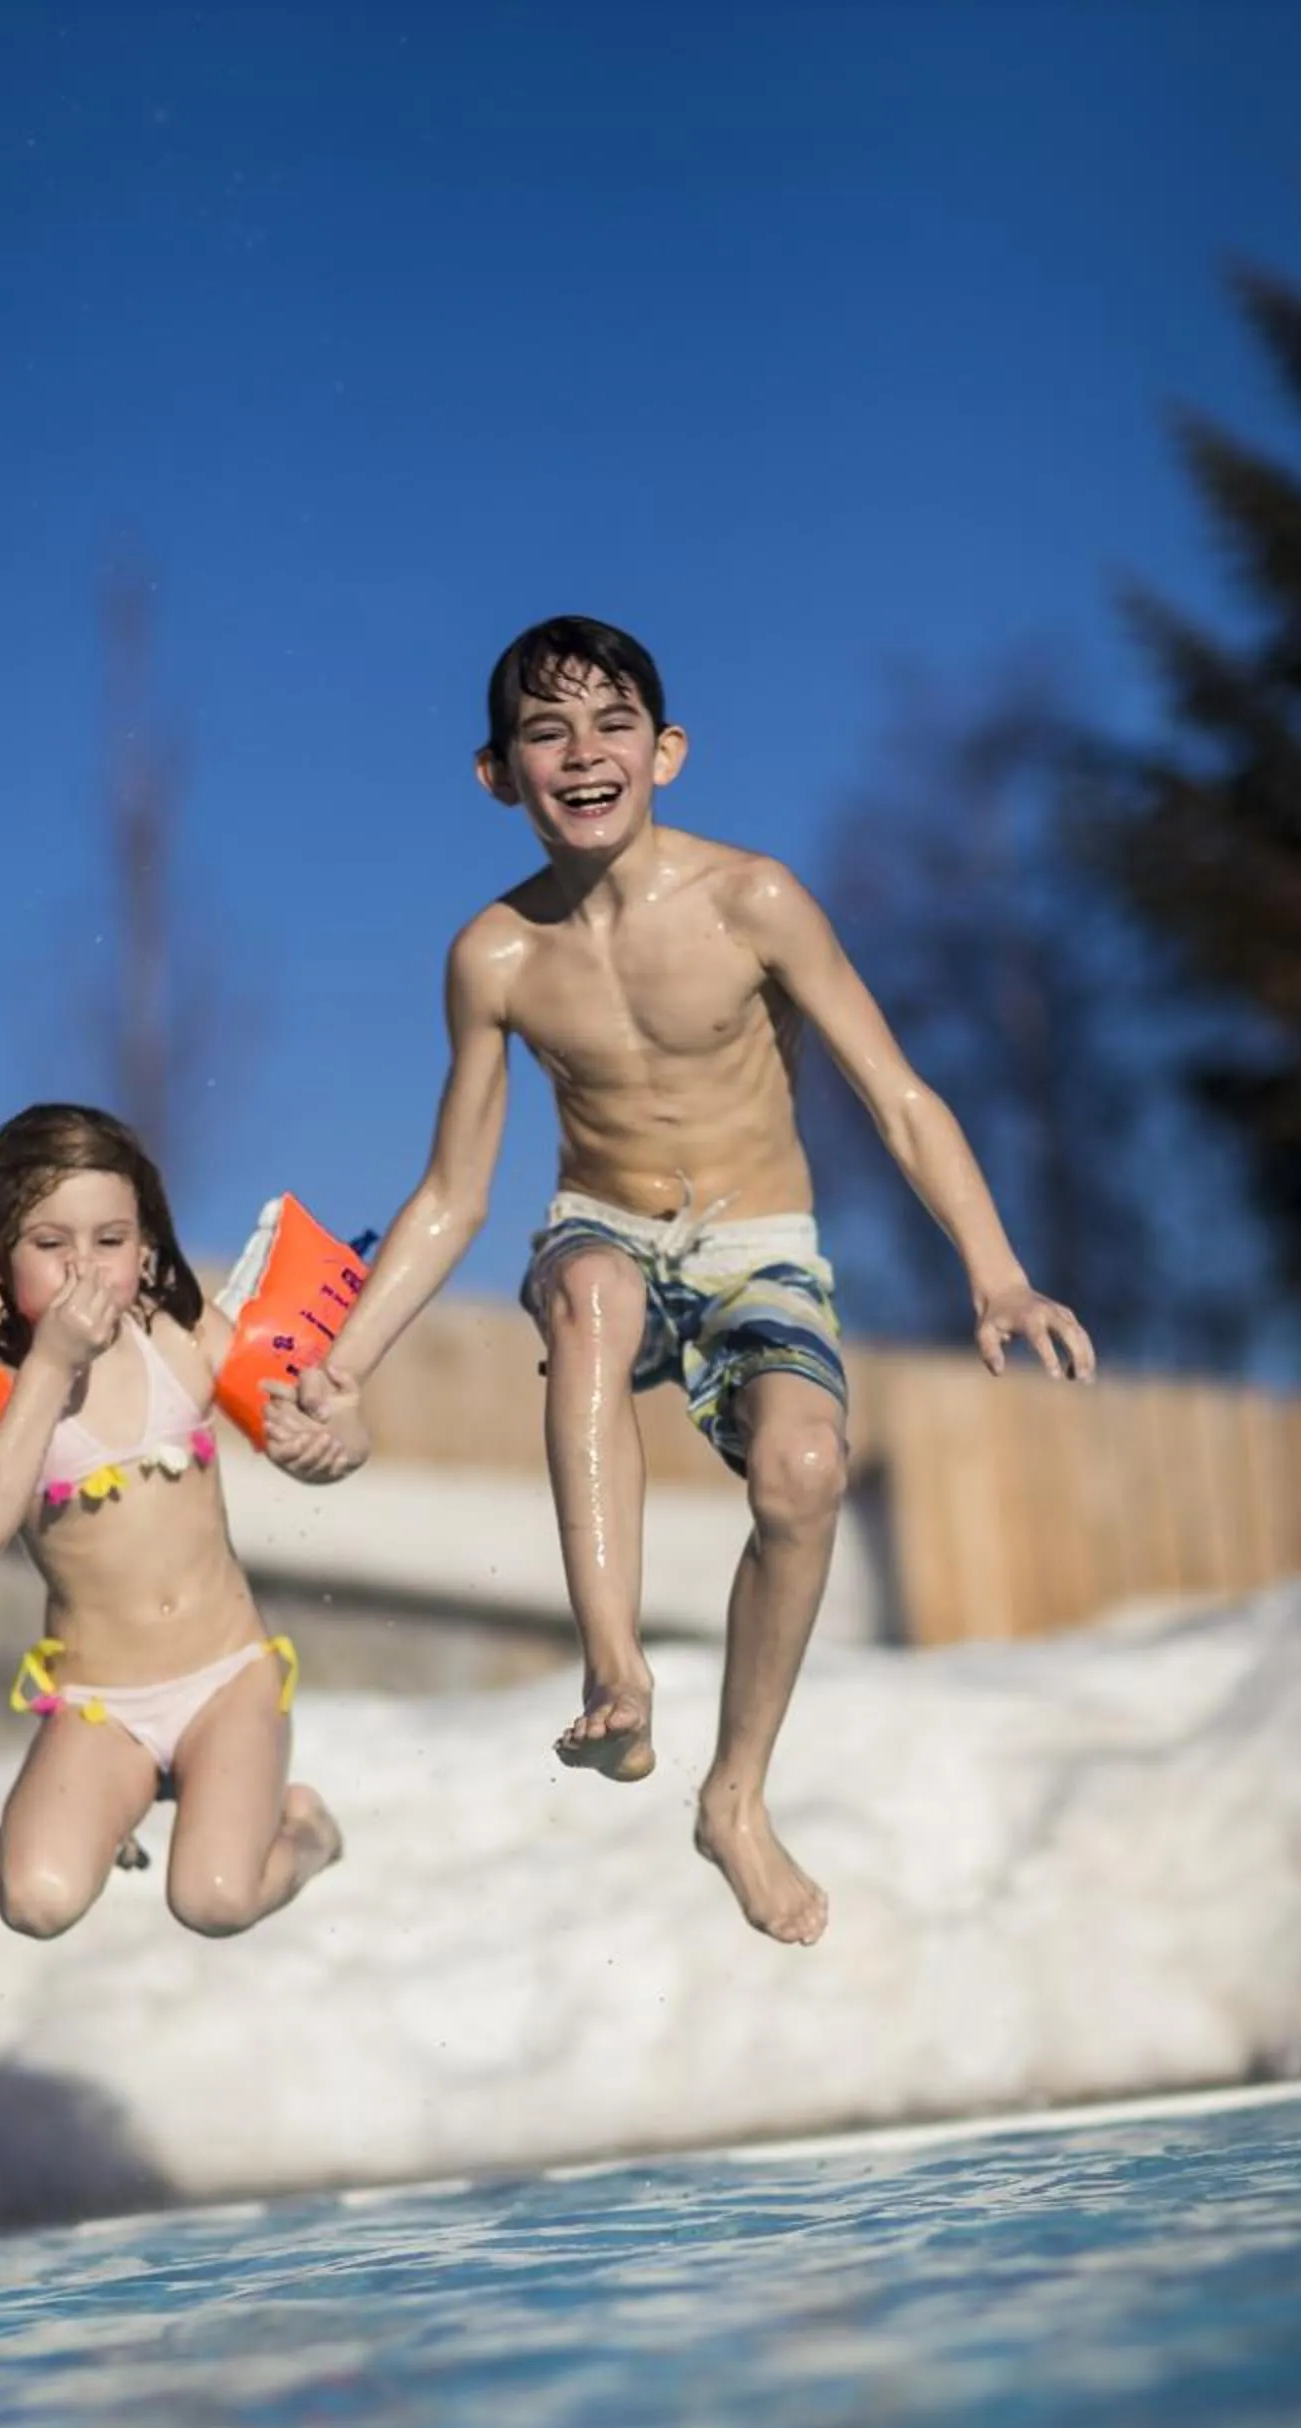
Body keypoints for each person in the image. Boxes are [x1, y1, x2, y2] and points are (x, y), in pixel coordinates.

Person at [284, 616, 1095, 1949]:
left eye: (612, 727)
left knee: (806, 1474)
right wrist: (347, 1366)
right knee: (592, 1291)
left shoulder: (752, 901)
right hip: (603, 1226)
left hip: (759, 1242)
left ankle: (735, 1795)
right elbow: (454, 1195)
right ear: (497, 774)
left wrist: (996, 1275)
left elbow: (896, 1096)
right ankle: (616, 1675)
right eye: (547, 733)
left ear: (666, 750)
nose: (583, 754)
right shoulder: (493, 958)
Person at [0, 1102, 343, 1941]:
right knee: (36, 1902)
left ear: (148, 1245)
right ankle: (43, 1834)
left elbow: (308, 1419)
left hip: (226, 1681)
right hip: (101, 1705)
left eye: (109, 1241)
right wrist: (51, 1363)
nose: (83, 1268)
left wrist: (338, 1439)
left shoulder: (181, 1336)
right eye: (50, 1246)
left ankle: (306, 1832)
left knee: (213, 1900)